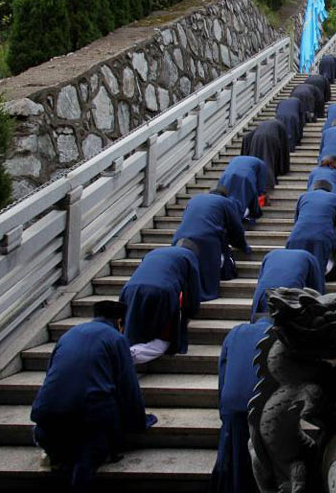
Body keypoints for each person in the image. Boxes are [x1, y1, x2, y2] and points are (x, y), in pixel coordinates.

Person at [31, 300, 153, 491]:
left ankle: (57, 455)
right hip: (90, 416)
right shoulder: (116, 339)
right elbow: (128, 387)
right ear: (120, 322)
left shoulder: (69, 334)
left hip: (47, 415)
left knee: (58, 443)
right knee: (89, 456)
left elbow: (51, 375)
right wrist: (139, 421)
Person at [210, 313, 273, 493]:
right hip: (267, 408)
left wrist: (224, 412)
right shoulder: (280, 334)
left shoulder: (235, 332)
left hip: (233, 407)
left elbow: (223, 375)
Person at [119, 240, 202, 364]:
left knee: (133, 327)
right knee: (166, 337)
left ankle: (123, 350)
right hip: (162, 290)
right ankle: (128, 357)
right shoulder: (189, 256)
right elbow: (194, 288)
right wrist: (192, 311)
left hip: (130, 288)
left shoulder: (155, 251)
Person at [172, 189, 251, 302]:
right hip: (206, 237)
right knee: (206, 271)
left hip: (180, 237)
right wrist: (243, 246)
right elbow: (236, 227)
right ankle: (201, 294)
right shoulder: (225, 202)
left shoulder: (194, 199)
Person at [286, 181, 336, 279]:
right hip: (322, 238)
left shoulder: (303, 197)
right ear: (329, 190)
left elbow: (296, 221)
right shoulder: (335, 198)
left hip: (296, 238)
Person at [250, 249, 325, 317]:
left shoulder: (272, 253)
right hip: (289, 292)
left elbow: (261, 279)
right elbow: (316, 287)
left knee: (261, 324)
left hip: (264, 291)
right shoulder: (309, 257)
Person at [217, 156, 269, 221]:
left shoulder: (236, 158)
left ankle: (224, 215)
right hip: (245, 177)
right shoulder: (262, 164)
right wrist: (261, 193)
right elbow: (261, 183)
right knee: (243, 198)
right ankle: (239, 216)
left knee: (227, 196)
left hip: (227, 176)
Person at [241, 119, 290, 187]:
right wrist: (284, 168)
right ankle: (268, 183)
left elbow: (247, 136)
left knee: (260, 159)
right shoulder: (281, 126)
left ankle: (256, 180)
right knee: (268, 160)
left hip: (257, 137)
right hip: (272, 137)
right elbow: (284, 147)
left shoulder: (263, 124)